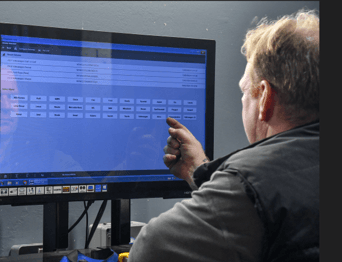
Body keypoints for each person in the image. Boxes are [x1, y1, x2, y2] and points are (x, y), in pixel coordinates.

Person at [128, 8, 319, 262]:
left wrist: (231, 182)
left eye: (244, 91)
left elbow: (150, 249)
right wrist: (199, 170)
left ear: (264, 96)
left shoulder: (251, 182)